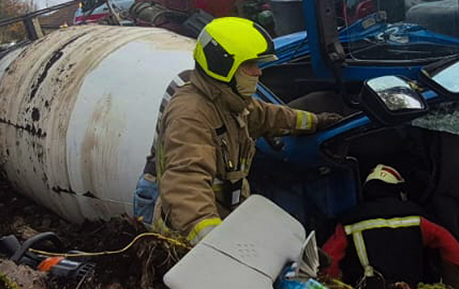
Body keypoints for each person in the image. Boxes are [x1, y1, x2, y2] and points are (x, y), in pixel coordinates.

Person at [142, 17, 344, 244]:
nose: (258, 72)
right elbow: (186, 185)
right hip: (186, 229)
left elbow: (269, 116)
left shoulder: (230, 99)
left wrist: (315, 122)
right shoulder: (190, 116)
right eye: (250, 65)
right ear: (223, 66)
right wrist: (214, 244)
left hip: (225, 208)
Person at [320, 163, 459, 289]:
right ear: (398, 190)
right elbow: (452, 250)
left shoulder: (350, 223)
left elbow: (329, 259)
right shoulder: (417, 218)